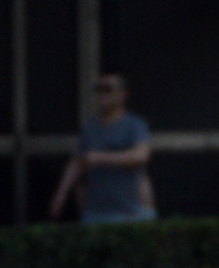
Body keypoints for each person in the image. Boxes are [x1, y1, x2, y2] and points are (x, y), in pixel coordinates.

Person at [47, 73, 154, 224]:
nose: (102, 94)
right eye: (99, 90)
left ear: (123, 95)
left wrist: (100, 158)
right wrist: (61, 194)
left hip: (132, 213)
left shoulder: (134, 125)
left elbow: (141, 155)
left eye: (108, 89)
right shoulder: (90, 128)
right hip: (97, 213)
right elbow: (77, 162)